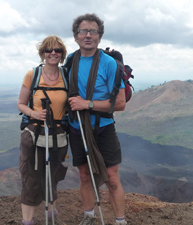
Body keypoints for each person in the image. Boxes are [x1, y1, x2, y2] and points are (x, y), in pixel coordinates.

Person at [67, 14, 127, 225]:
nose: (88, 35)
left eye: (93, 31)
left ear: (100, 37)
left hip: (104, 128)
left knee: (111, 178)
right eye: (83, 31)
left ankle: (120, 221)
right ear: (76, 36)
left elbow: (119, 103)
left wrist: (87, 103)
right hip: (77, 128)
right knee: (84, 176)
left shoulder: (109, 64)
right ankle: (89, 215)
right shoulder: (70, 61)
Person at [17, 35, 68, 225]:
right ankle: (27, 221)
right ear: (43, 53)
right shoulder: (33, 75)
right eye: (49, 50)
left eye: (57, 50)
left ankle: (50, 214)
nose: (53, 53)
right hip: (34, 133)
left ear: (62, 54)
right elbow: (20, 104)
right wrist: (34, 113)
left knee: (53, 175)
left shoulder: (66, 75)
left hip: (58, 135)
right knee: (31, 177)